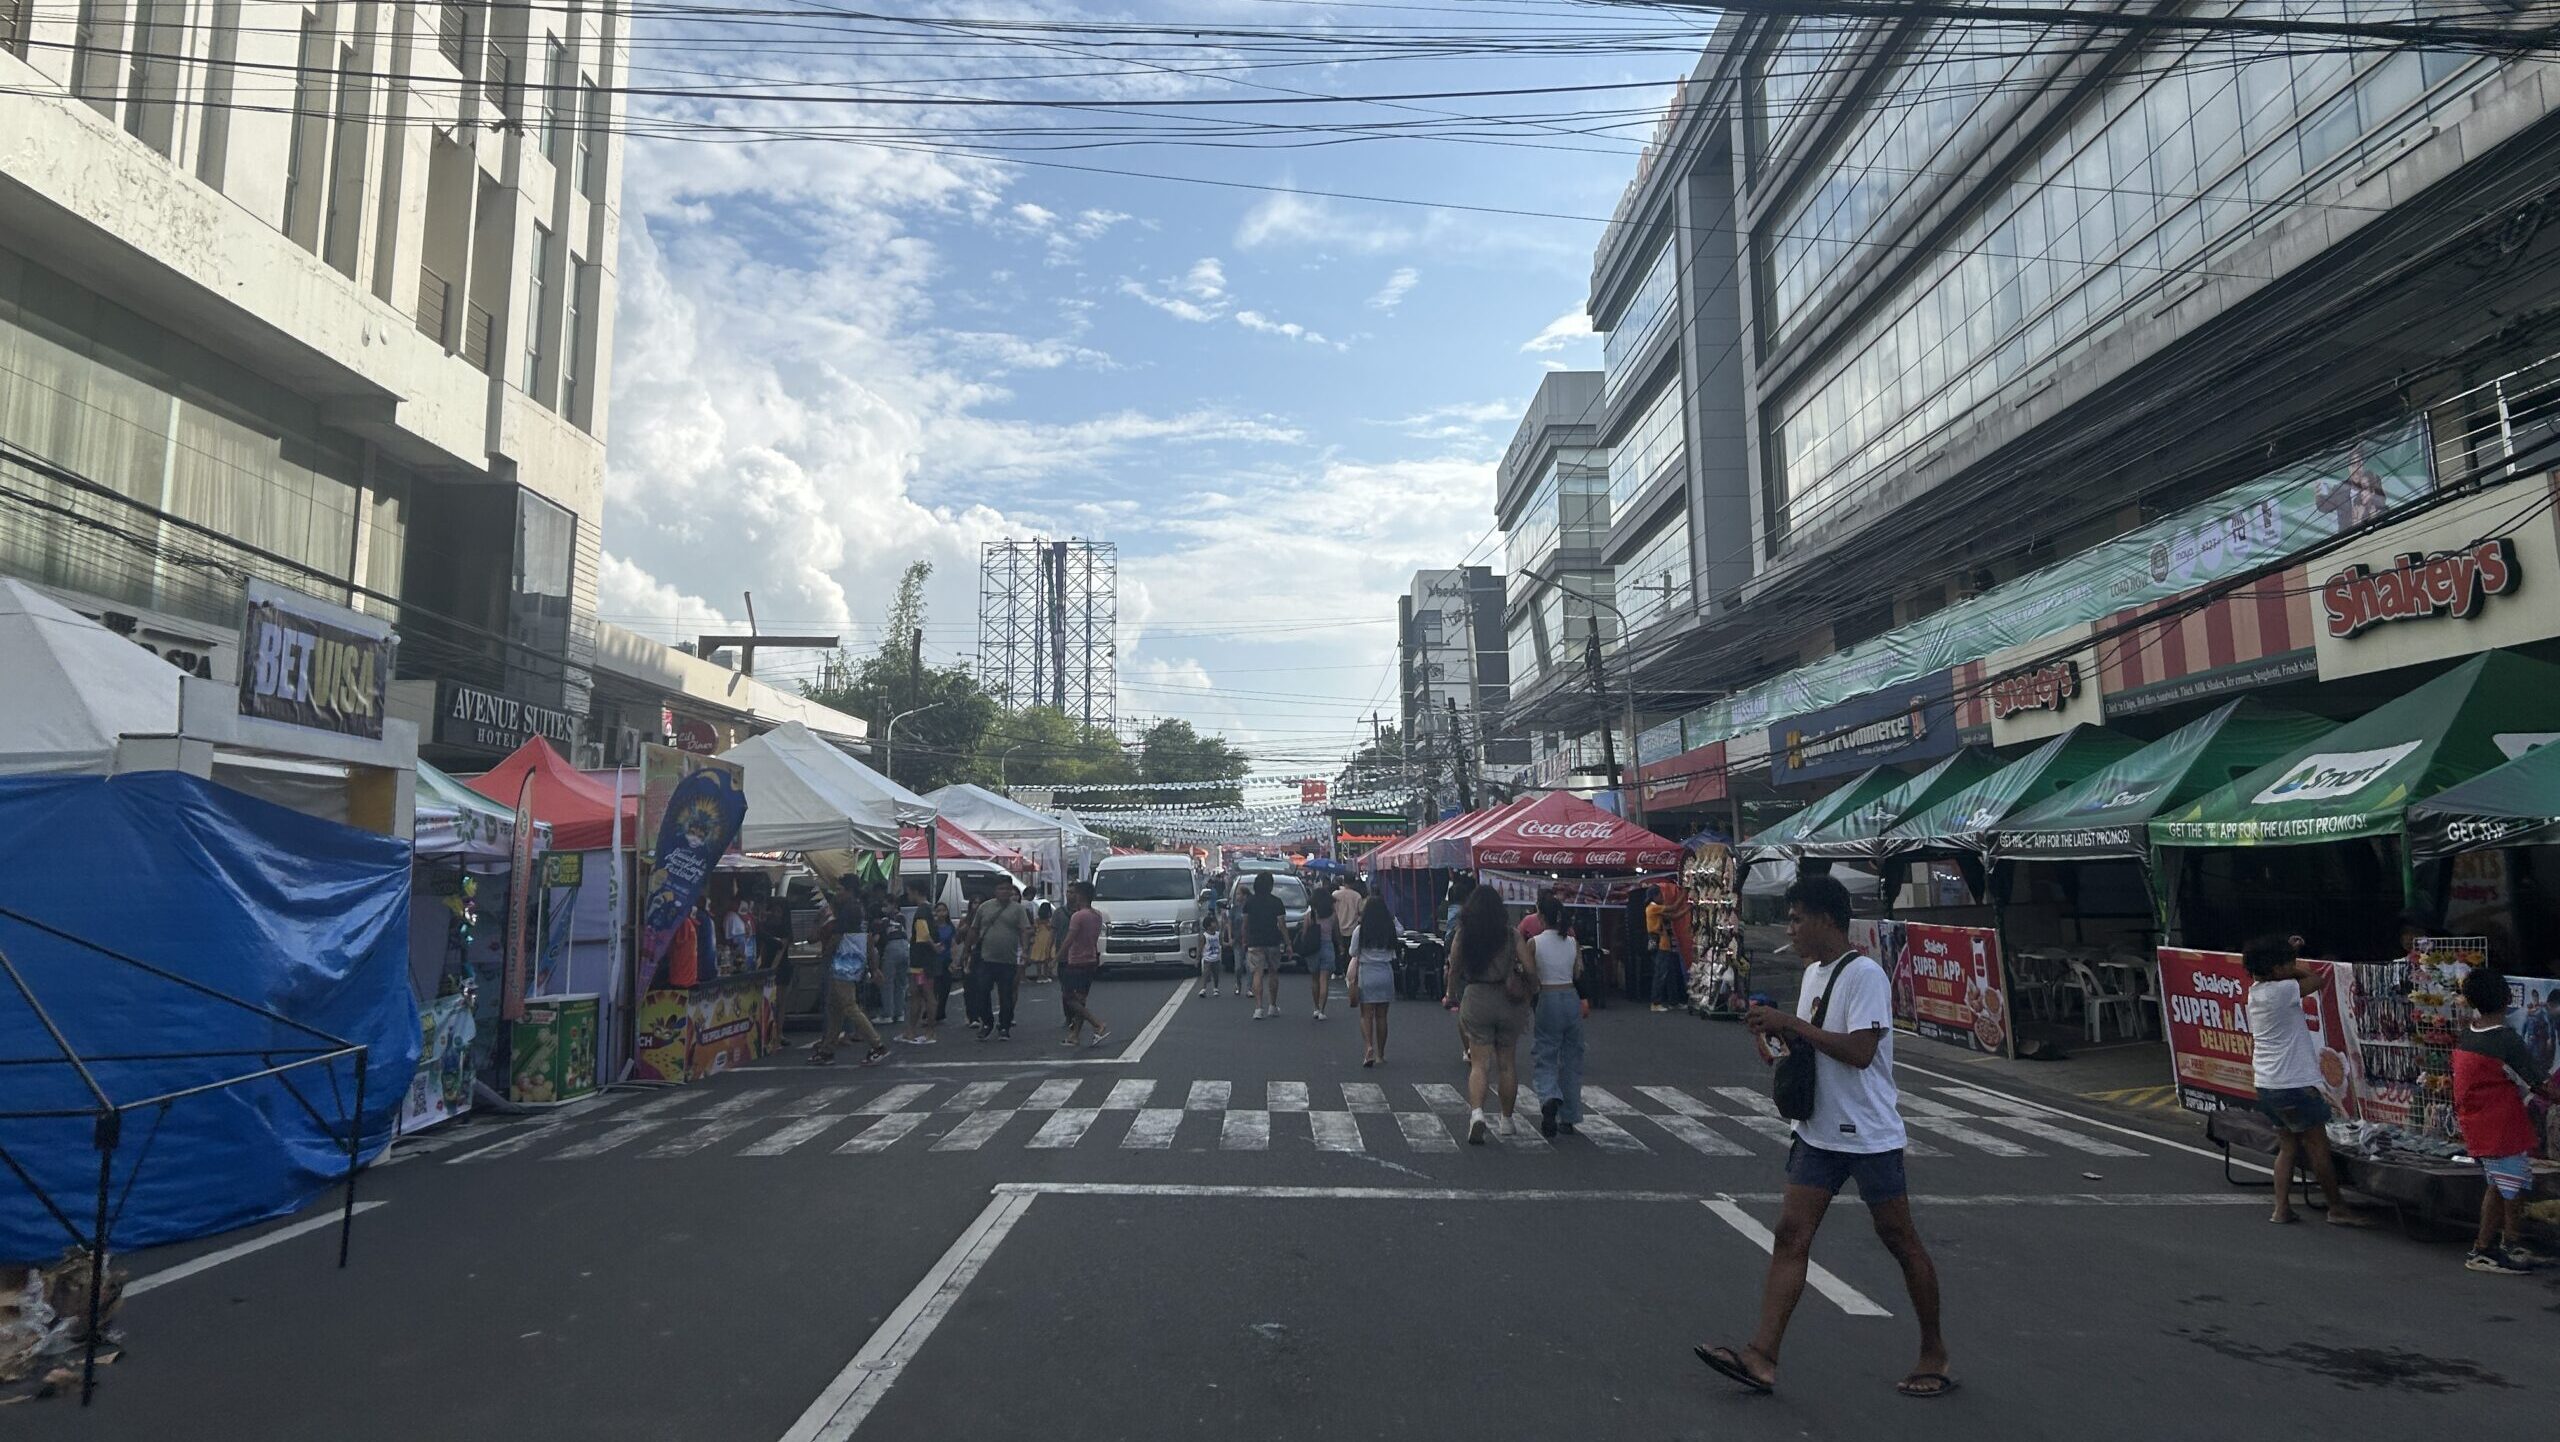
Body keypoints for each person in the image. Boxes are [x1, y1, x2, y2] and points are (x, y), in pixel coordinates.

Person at [1696, 873, 1949, 1400]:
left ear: (1827, 920)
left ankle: (1934, 1352)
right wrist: (1779, 1037)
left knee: (1900, 1241)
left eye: (1796, 917)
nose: (1791, 927)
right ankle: (1761, 1356)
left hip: (1868, 1135)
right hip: (1818, 1131)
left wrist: (1794, 1023)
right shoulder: (1813, 973)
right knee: (1790, 1236)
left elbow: (1860, 1052)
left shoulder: (1866, 976)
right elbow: (1814, 1043)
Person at [2241, 935, 2376, 1228]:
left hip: (2267, 1083)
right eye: (2286, 963)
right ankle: (2337, 1207)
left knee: (2287, 1146)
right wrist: (2294, 964)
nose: (2293, 965)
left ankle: (2281, 1208)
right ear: (2276, 970)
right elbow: (2317, 980)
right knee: (2318, 1148)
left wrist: (2288, 954)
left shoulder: (2257, 991)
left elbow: (2283, 971)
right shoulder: (2283, 991)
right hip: (2294, 1085)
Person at [2453, 969, 2559, 1274]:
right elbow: (2541, 1084)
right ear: (2506, 998)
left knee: (2505, 1182)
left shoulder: (2470, 1032)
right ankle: (2483, 1249)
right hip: (2497, 1122)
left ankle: (2511, 1243)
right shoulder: (2504, 1039)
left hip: (2484, 1119)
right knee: (2503, 1186)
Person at [1442, 885, 1530, 1142]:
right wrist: (1529, 989)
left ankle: (1477, 1113)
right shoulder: (1511, 934)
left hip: (1477, 996)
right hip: (1506, 998)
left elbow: (1454, 967)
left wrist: (1450, 995)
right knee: (1507, 1063)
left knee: (1479, 1063)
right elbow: (1530, 967)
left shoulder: (1464, 933)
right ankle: (1506, 1119)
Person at [1528, 893, 1587, 1137]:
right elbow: (1578, 973)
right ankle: (1570, 1116)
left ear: (1541, 916)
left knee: (1546, 1053)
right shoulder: (1572, 942)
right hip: (1570, 997)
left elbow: (1530, 975)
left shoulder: (1534, 942)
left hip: (1548, 997)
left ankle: (1549, 1096)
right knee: (1572, 1058)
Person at [812, 899, 889, 1067]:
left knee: (850, 1007)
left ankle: (877, 1045)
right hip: (855, 970)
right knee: (835, 1008)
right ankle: (827, 1049)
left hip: (840, 971)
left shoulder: (839, 933)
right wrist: (874, 969)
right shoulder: (864, 933)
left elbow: (828, 949)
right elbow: (871, 951)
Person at [967, 880, 1029, 1041]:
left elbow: (1024, 931)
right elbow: (974, 929)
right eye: (1001, 888)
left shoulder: (1018, 909)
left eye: (1007, 889)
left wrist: (1025, 951)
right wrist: (966, 951)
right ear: (995, 890)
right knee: (982, 992)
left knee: (1006, 995)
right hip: (986, 958)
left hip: (1008, 960)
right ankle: (987, 1022)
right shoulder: (984, 907)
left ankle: (1004, 1026)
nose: (1004, 892)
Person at [1060, 879, 1112, 1046]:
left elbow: (1069, 939)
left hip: (1076, 960)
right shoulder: (1097, 915)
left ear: (1080, 895)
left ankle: (1097, 1023)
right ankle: (1074, 1035)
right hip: (1090, 959)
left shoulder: (1078, 916)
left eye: (1074, 893)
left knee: (1069, 997)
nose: (1071, 896)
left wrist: (1056, 956)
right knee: (1081, 999)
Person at [1351, 893, 1399, 1067]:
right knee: (1382, 1016)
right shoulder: (1390, 927)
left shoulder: (1360, 929)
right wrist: (1392, 918)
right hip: (1385, 972)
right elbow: (1401, 930)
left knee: (1366, 1015)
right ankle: (1381, 1054)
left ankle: (1368, 1047)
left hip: (1367, 973)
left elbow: (1352, 952)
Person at [1242, 871, 1288, 1019]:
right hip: (1273, 940)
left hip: (1254, 941)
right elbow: (1282, 925)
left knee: (1257, 973)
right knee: (1273, 972)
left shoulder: (1249, 902)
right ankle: (1272, 1005)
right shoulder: (1277, 902)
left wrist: (1244, 939)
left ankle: (1258, 1007)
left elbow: (1245, 924)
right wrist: (1288, 942)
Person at [874, 903, 909, 1028]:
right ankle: (899, 1013)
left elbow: (876, 939)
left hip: (892, 947)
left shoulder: (880, 923)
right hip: (906, 947)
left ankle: (887, 1014)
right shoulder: (898, 923)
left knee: (887, 982)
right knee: (901, 983)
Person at [1196, 887, 1224, 998]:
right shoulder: (1205, 936)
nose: (1215, 924)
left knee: (1216, 974)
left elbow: (1221, 943)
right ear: (1208, 926)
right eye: (1213, 923)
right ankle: (1204, 988)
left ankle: (1216, 988)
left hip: (1216, 958)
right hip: (1207, 958)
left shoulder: (1217, 934)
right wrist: (1198, 959)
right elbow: (1200, 947)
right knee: (1206, 973)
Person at [1026, 901, 1058, 984]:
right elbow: (1051, 929)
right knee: (1046, 959)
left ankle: (1039, 976)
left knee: (1039, 960)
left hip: (1038, 939)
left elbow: (1034, 928)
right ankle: (1046, 975)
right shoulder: (1049, 921)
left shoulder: (1037, 920)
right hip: (1047, 939)